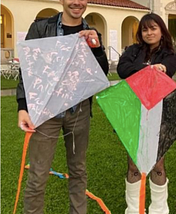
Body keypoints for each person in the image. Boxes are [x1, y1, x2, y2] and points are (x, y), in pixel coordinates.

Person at [16, 0, 109, 213]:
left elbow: (101, 72)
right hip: (45, 112)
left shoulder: (91, 32)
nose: (76, 2)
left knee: (78, 171)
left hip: (79, 113)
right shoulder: (41, 28)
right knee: (38, 174)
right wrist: (23, 106)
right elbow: (28, 69)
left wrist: (96, 48)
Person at [117, 13, 176, 214]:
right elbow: (122, 69)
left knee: (157, 163)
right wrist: (149, 68)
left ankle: (159, 209)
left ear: (161, 31)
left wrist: (144, 69)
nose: (149, 32)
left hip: (159, 112)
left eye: (153, 28)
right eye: (145, 29)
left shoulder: (169, 53)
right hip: (134, 111)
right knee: (133, 162)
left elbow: (168, 70)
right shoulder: (133, 50)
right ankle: (133, 209)